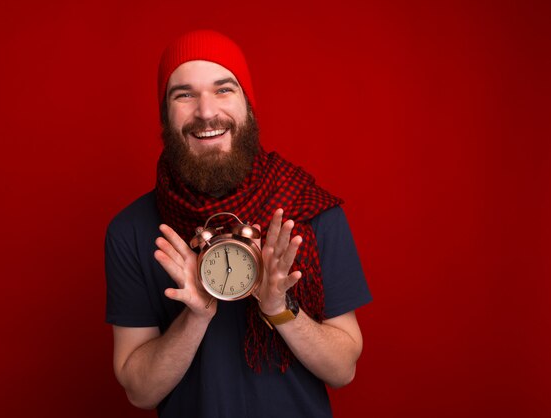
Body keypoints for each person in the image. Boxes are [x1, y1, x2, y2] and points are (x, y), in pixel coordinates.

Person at [105, 30, 372, 418]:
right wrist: (195, 316)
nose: (206, 111)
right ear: (165, 114)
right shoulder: (132, 230)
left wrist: (279, 307)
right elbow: (140, 392)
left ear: (248, 104)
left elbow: (342, 369)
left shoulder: (311, 211)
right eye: (184, 94)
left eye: (223, 89)